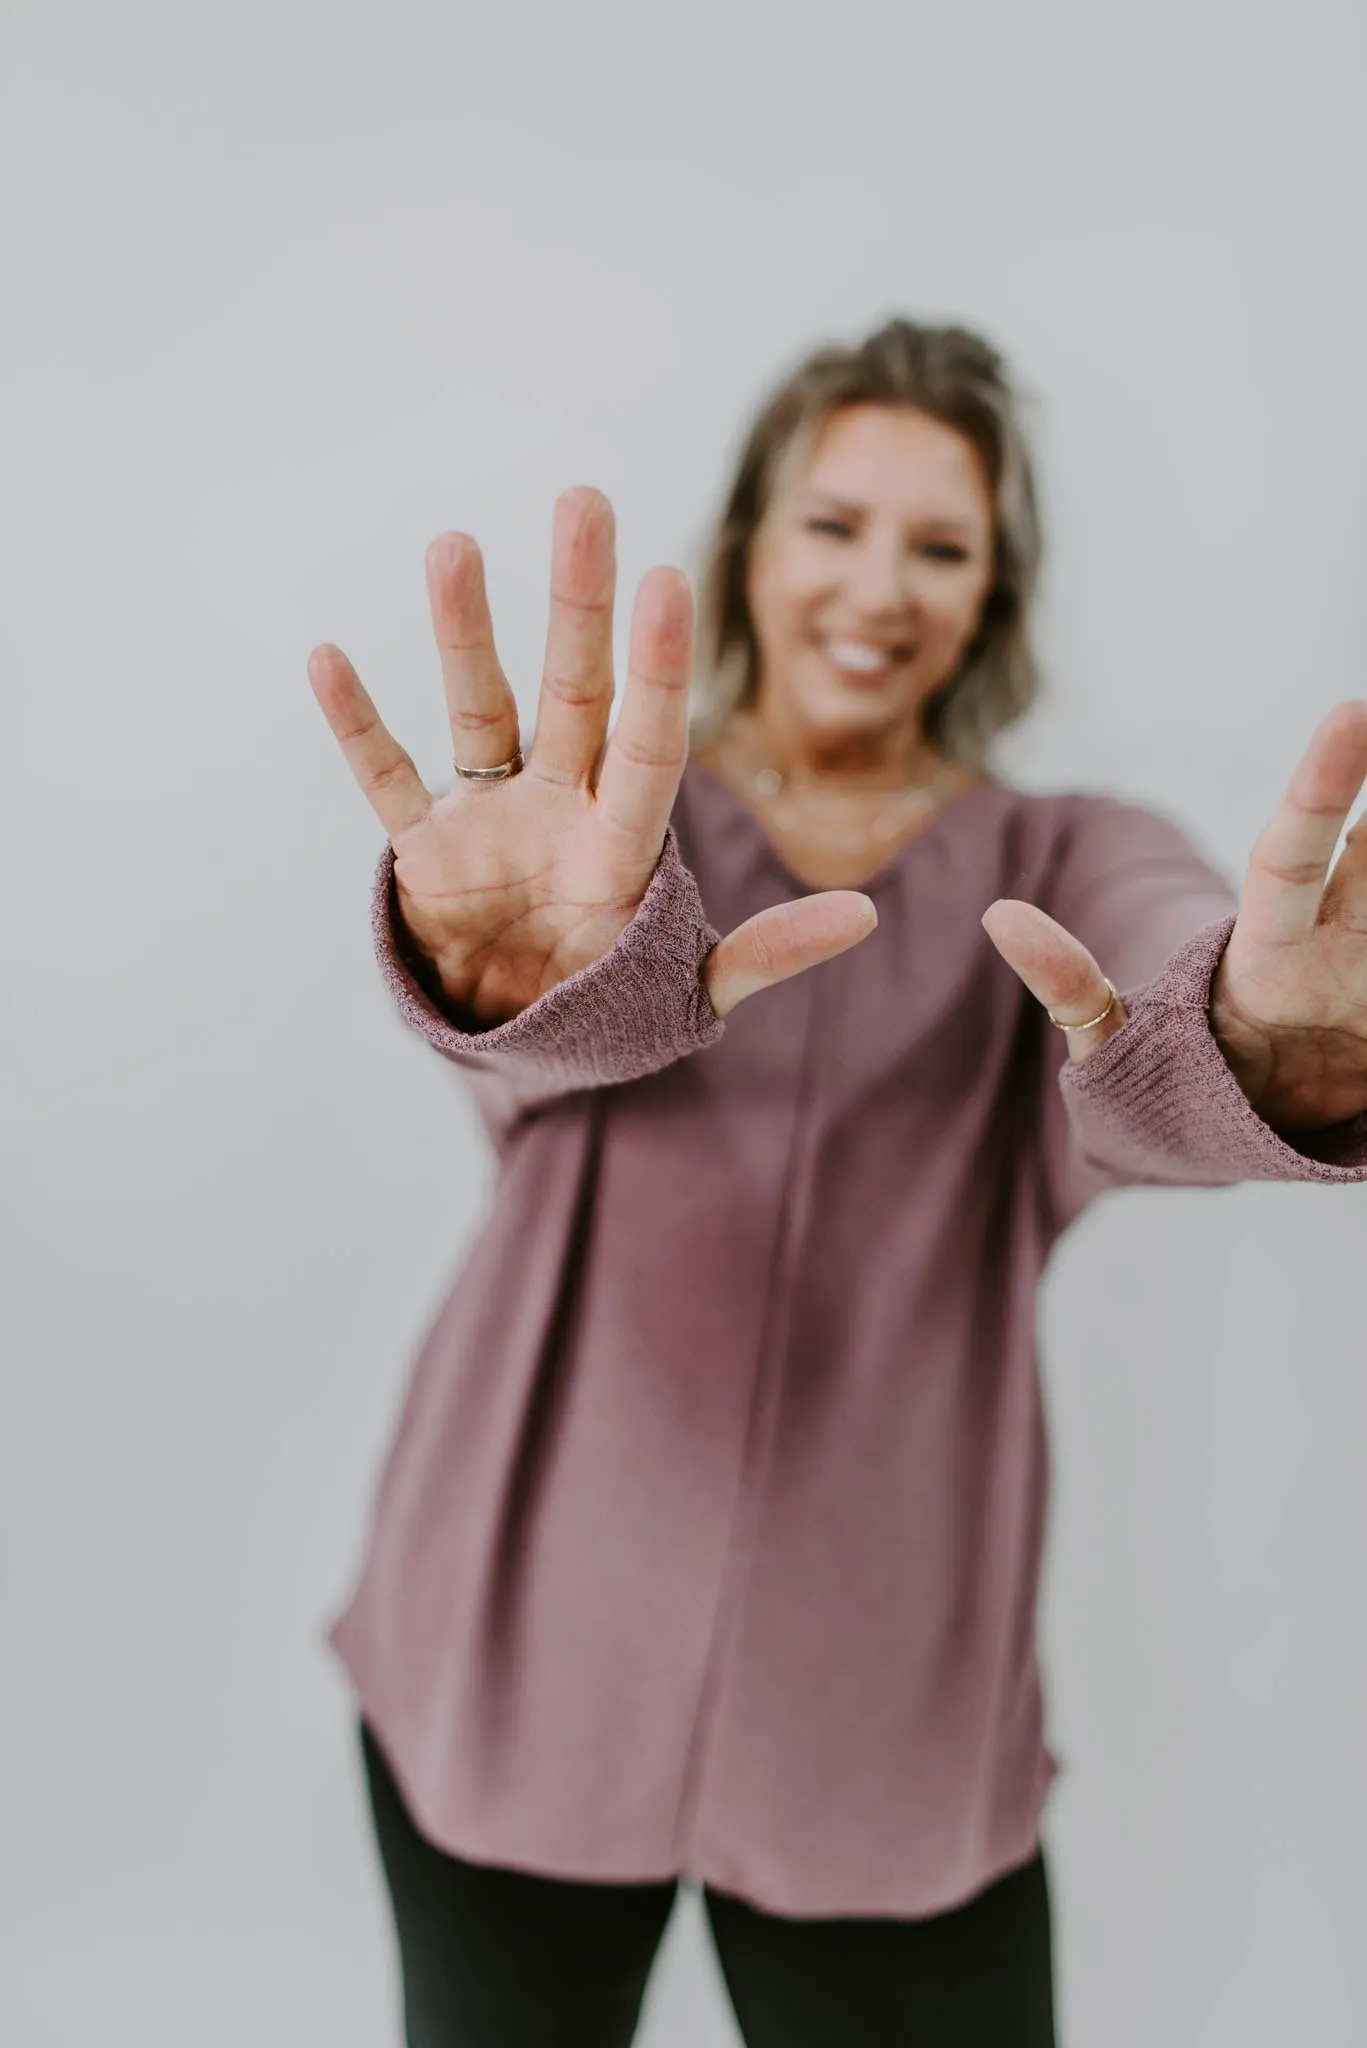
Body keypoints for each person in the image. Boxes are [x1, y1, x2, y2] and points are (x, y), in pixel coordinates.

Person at [307, 319, 1367, 2048]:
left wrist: (1257, 1041)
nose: (879, 586)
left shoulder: (1060, 856)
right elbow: (521, 1051)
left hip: (880, 1710)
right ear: (747, 543)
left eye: (938, 545)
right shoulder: (596, 832)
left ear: (990, 591)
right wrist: (527, 974)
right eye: (834, 524)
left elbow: (1166, 1012)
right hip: (519, 1640)